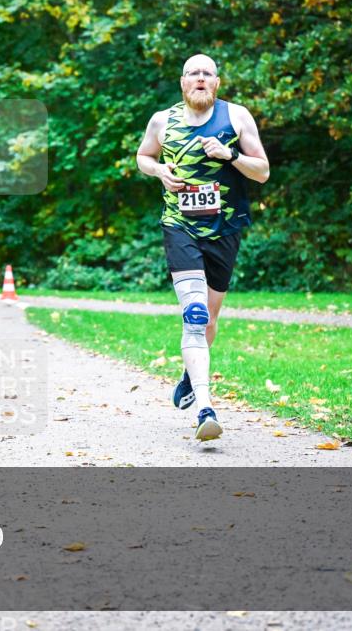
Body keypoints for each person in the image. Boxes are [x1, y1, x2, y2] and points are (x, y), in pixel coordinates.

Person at [135, 53, 270, 441]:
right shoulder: (163, 120)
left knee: (208, 322)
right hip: (180, 226)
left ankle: (189, 376)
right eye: (193, 73)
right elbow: (144, 156)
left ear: (217, 82)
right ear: (182, 82)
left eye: (206, 73)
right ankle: (205, 410)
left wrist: (230, 155)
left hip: (225, 228)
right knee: (194, 315)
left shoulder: (237, 117)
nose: (199, 79)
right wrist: (159, 170)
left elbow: (262, 171)